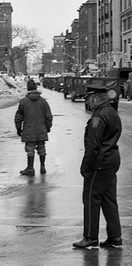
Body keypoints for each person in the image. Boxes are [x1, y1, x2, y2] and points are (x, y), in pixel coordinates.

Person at [73, 85, 122, 249]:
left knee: (90, 198)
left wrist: (85, 167)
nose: (87, 102)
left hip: (100, 163)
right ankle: (115, 236)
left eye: (88, 99)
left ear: (95, 98)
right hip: (112, 160)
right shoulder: (112, 112)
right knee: (108, 199)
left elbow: (93, 146)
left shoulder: (98, 117)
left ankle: (90, 237)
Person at [14, 79, 53, 176]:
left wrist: (19, 128)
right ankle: (42, 166)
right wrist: (48, 127)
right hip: (41, 129)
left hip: (29, 129)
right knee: (41, 148)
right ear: (36, 88)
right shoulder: (43, 101)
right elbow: (48, 116)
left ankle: (30, 168)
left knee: (30, 149)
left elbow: (19, 116)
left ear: (28, 88)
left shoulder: (24, 101)